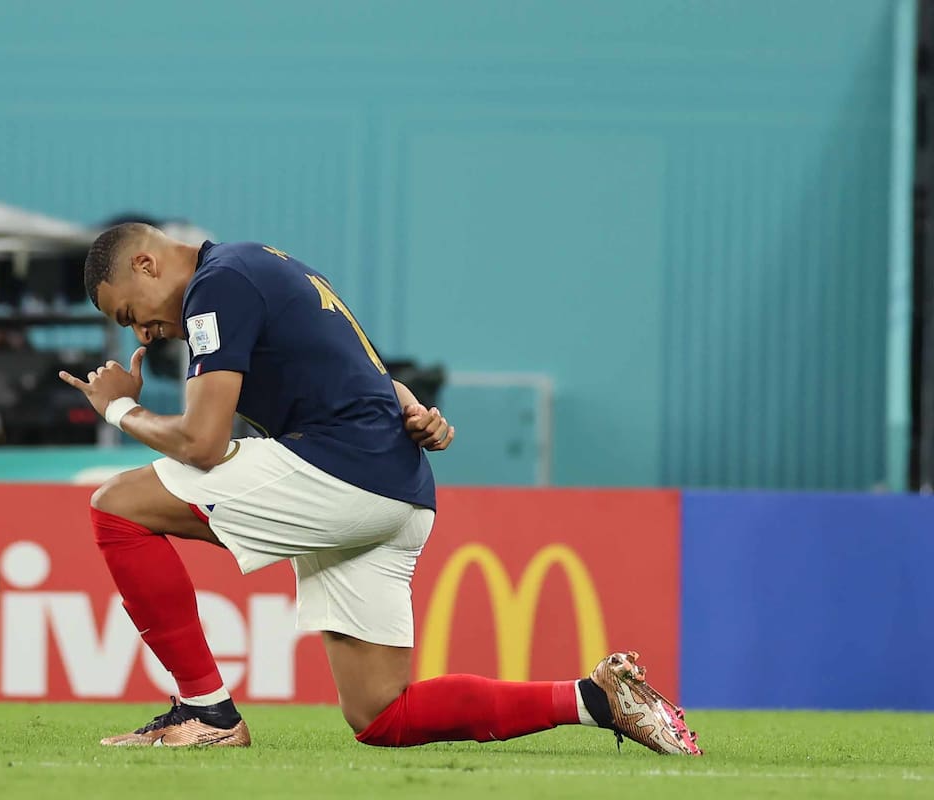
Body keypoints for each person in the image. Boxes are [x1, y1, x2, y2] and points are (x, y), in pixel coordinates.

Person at [58, 223, 701, 755]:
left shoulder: (216, 286)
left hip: (344, 473)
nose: (143, 333)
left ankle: (207, 712)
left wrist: (117, 410)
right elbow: (350, 364)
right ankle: (597, 699)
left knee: (118, 508)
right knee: (382, 716)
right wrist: (414, 404)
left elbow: (203, 443)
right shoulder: (259, 265)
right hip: (396, 490)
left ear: (146, 263)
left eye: (130, 315)